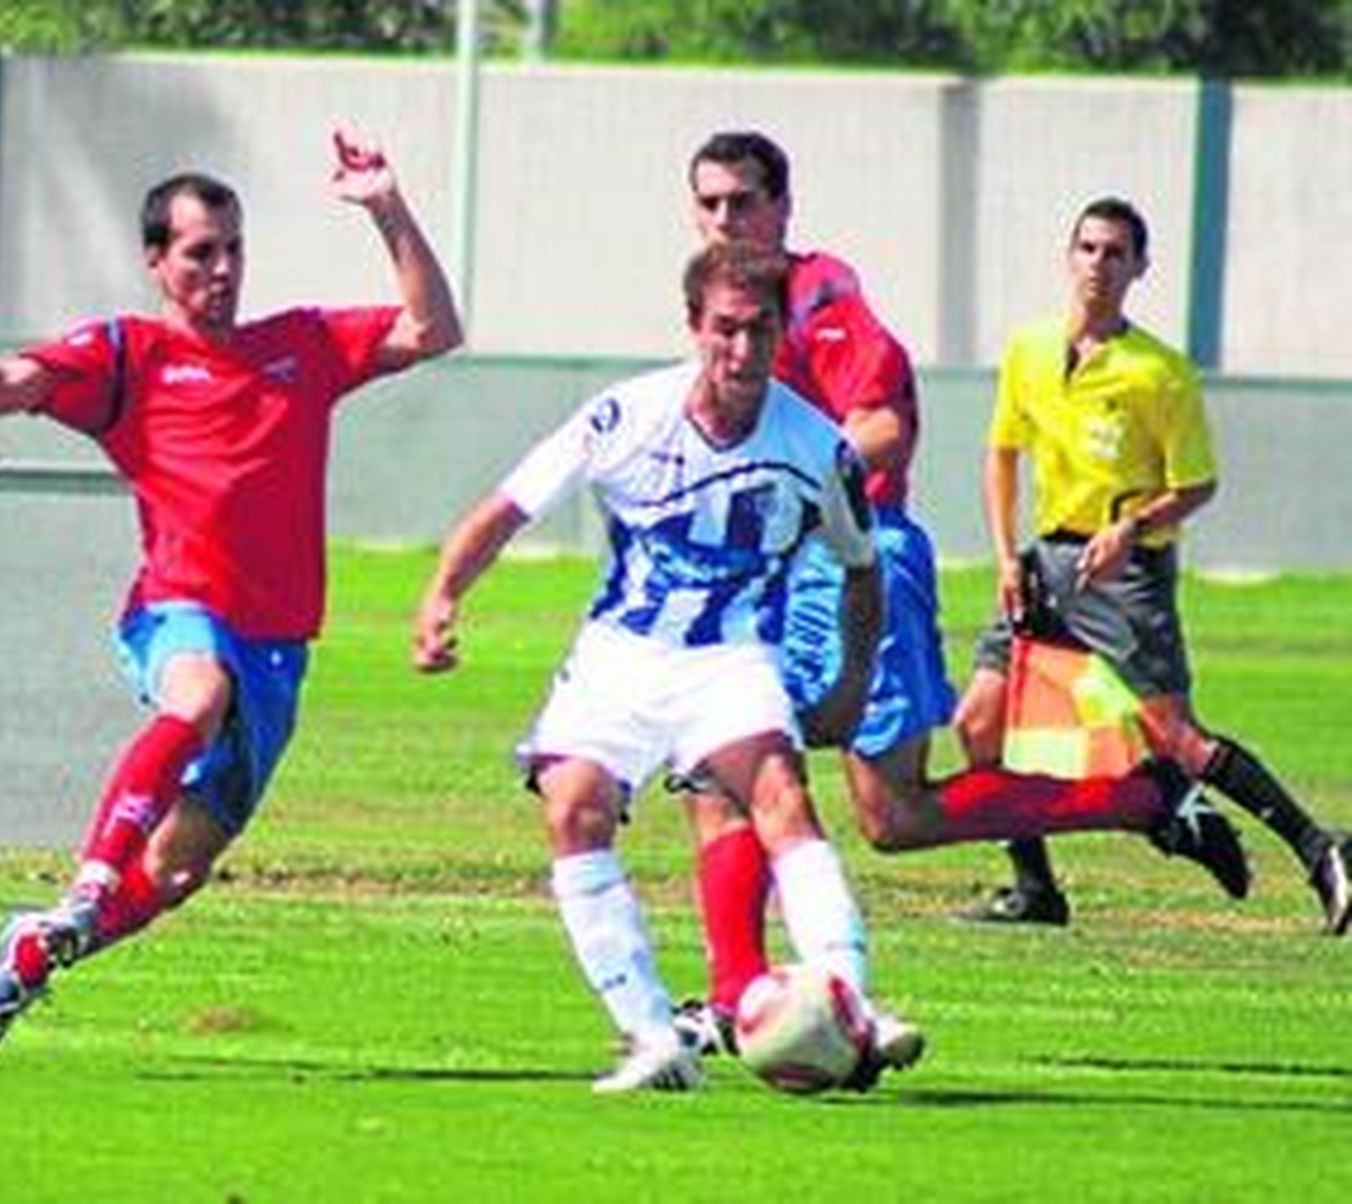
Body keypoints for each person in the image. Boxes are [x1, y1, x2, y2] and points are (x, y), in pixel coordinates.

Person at [0, 131, 463, 1052]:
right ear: (156, 261)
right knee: (198, 695)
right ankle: (88, 881)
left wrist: (386, 206)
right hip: (178, 611)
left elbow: (434, 330)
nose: (223, 269)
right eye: (200, 252)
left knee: (176, 870)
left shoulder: (300, 345)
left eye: (234, 249)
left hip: (278, 648)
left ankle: (32, 955)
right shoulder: (126, 355)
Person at [672, 133, 1251, 1052]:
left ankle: (1142, 799)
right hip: (772, 572)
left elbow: (883, 429)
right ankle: (735, 993)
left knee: (891, 814)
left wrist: (779, 490)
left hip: (853, 565)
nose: (724, 219)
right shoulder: (721, 307)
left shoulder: (822, 298)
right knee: (718, 766)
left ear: (782, 206)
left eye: (743, 201)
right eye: (709, 203)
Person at [412, 239, 919, 1094]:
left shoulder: (815, 446)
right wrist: (441, 596)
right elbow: (507, 507)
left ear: (780, 334)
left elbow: (862, 567)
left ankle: (846, 1005)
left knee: (781, 798)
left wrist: (852, 681)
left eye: (760, 331)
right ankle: (654, 1040)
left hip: (732, 658)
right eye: (726, 329)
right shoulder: (626, 417)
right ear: (694, 326)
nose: (743, 350)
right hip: (620, 656)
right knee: (573, 808)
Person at [953, 195, 1351, 934]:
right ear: (1068, 257)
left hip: (1125, 574)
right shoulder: (1030, 349)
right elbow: (1001, 455)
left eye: (1115, 253)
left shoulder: (1159, 373)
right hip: (1043, 564)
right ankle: (1036, 888)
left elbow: (1197, 484)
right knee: (978, 721)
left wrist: (1131, 528)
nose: (1098, 265)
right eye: (1087, 248)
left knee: (1179, 737)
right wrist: (1007, 556)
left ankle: (1319, 848)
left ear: (1140, 267)